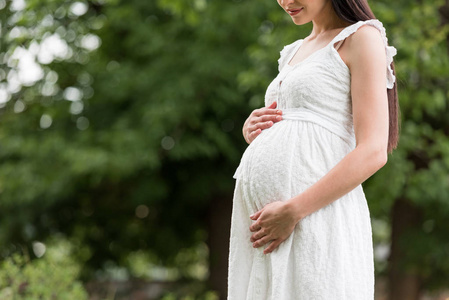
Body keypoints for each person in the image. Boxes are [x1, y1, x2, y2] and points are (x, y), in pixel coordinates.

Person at [227, 0, 399, 299]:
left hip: (313, 215)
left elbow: (373, 150)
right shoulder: (294, 50)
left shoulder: (361, 37)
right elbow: (301, 123)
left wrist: (294, 210)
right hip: (268, 229)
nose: (286, 2)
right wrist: (254, 129)